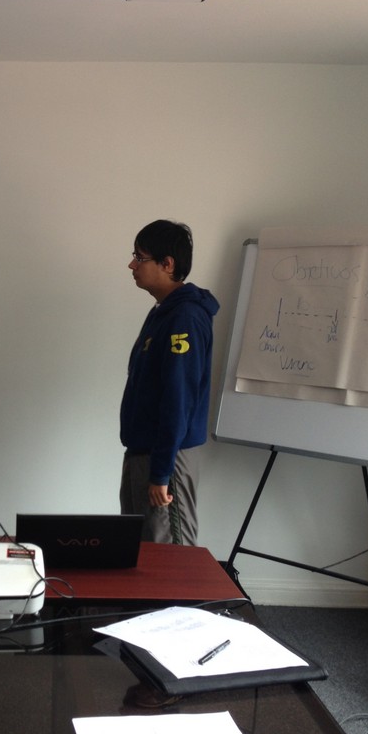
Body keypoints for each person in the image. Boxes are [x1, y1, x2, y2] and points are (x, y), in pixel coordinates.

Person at [119, 220, 219, 545]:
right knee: (137, 550)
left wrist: (161, 473)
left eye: (140, 257)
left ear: (168, 264)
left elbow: (179, 399)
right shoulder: (162, 312)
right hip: (143, 452)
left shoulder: (184, 317)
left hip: (167, 460)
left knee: (171, 555)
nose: (132, 265)